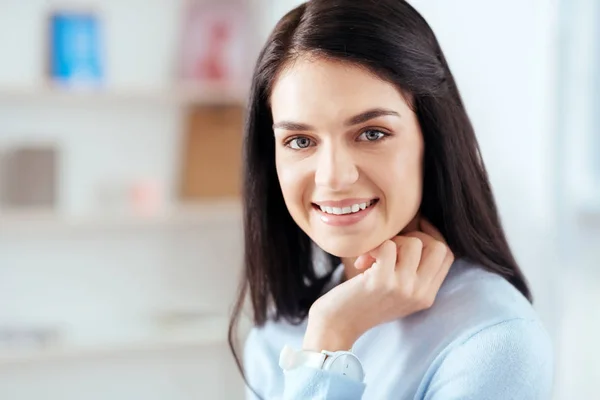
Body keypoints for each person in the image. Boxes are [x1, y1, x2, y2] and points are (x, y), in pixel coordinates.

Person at [227, 1, 554, 399]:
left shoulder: (492, 340)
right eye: (301, 141)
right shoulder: (278, 336)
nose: (333, 176)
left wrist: (328, 350)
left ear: (430, 140)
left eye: (371, 133)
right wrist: (331, 332)